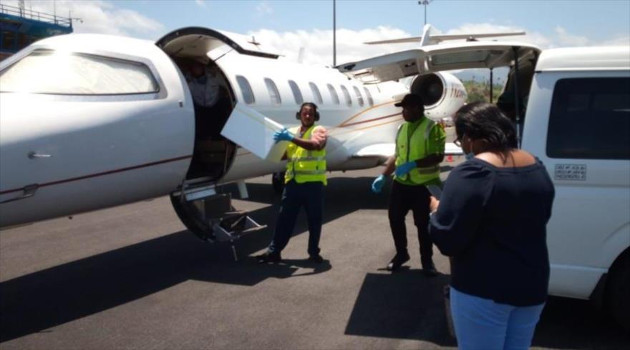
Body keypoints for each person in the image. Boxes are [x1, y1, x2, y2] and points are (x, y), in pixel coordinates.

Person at [428, 102, 555, 350]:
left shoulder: (472, 173)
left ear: (470, 137)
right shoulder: (536, 166)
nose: (463, 147)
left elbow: (447, 239)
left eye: (460, 140)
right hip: (532, 284)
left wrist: (436, 212)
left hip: (483, 289)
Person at [371, 93, 445, 275]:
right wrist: (383, 176)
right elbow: (396, 156)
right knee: (395, 218)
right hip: (402, 183)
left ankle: (427, 261)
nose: (403, 113)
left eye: (406, 109)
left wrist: (413, 164)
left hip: (423, 184)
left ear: (417, 109)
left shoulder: (433, 128)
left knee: (422, 224)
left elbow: (438, 156)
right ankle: (401, 254)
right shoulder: (401, 129)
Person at [256, 102, 328, 263]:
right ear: (299, 115)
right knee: (284, 219)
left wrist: (289, 138)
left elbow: (316, 145)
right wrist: (266, 145)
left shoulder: (319, 130)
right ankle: (274, 252)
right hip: (293, 183)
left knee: (314, 221)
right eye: (304, 113)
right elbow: (285, 156)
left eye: (310, 113)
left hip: (313, 184)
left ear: (315, 116)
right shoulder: (293, 132)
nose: (307, 116)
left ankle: (313, 253)